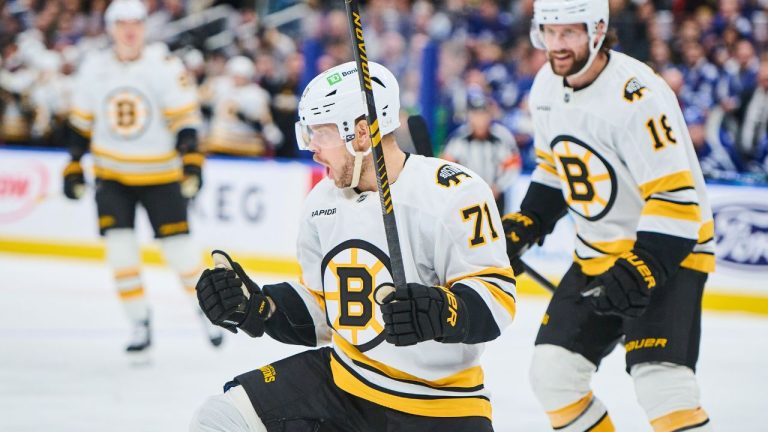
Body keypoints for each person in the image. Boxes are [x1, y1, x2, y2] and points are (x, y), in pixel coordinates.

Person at [190, 61, 517, 432]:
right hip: (344, 382)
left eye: (320, 133)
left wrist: (442, 311)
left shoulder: (454, 192)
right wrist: (259, 306)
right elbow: (326, 310)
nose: (311, 147)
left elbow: (498, 300)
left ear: (361, 133)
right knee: (220, 418)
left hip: (440, 405)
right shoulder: (321, 203)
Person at [502, 0, 715, 431]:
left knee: (661, 384)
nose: (556, 45)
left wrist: (642, 269)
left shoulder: (638, 93)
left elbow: (674, 196)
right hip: (596, 254)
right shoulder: (545, 85)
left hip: (669, 253)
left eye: (569, 33)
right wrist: (528, 223)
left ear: (598, 30)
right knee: (553, 374)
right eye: (550, 32)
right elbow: (555, 167)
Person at [62, 0, 222, 355]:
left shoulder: (163, 65)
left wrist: (191, 161)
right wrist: (73, 164)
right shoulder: (94, 67)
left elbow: (185, 122)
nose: (129, 30)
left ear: (145, 26)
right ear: (111, 28)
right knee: (120, 254)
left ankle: (208, 313)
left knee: (181, 254)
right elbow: (80, 124)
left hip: (161, 174)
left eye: (135, 22)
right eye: (122, 24)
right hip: (112, 174)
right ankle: (138, 322)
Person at [442, 91, 521, 214]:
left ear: (490, 115)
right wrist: (462, 189)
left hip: (496, 197)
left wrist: (498, 187)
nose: (480, 119)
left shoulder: (502, 136)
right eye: (475, 114)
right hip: (466, 198)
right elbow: (446, 168)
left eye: (483, 114)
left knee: (498, 230)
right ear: (469, 116)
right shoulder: (458, 138)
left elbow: (513, 166)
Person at [202, 55, 282, 157]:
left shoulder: (257, 94)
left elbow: (264, 120)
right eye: (235, 75)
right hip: (220, 142)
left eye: (241, 76)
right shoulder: (219, 85)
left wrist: (270, 131)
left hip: (247, 144)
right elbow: (200, 101)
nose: (237, 79)